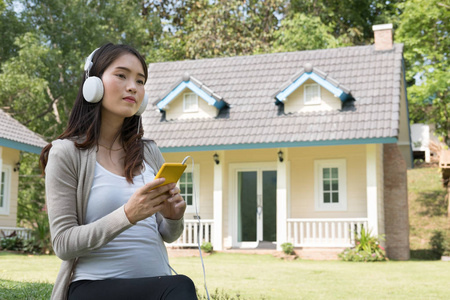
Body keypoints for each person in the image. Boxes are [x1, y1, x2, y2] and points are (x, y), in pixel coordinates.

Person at [40, 43, 198, 300]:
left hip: (158, 287)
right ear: (94, 84)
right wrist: (128, 214)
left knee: (178, 287)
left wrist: (173, 218)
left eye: (140, 80)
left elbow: (169, 235)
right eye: (121, 75)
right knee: (181, 286)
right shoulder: (65, 153)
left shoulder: (149, 152)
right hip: (92, 287)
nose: (133, 86)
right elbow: (63, 243)